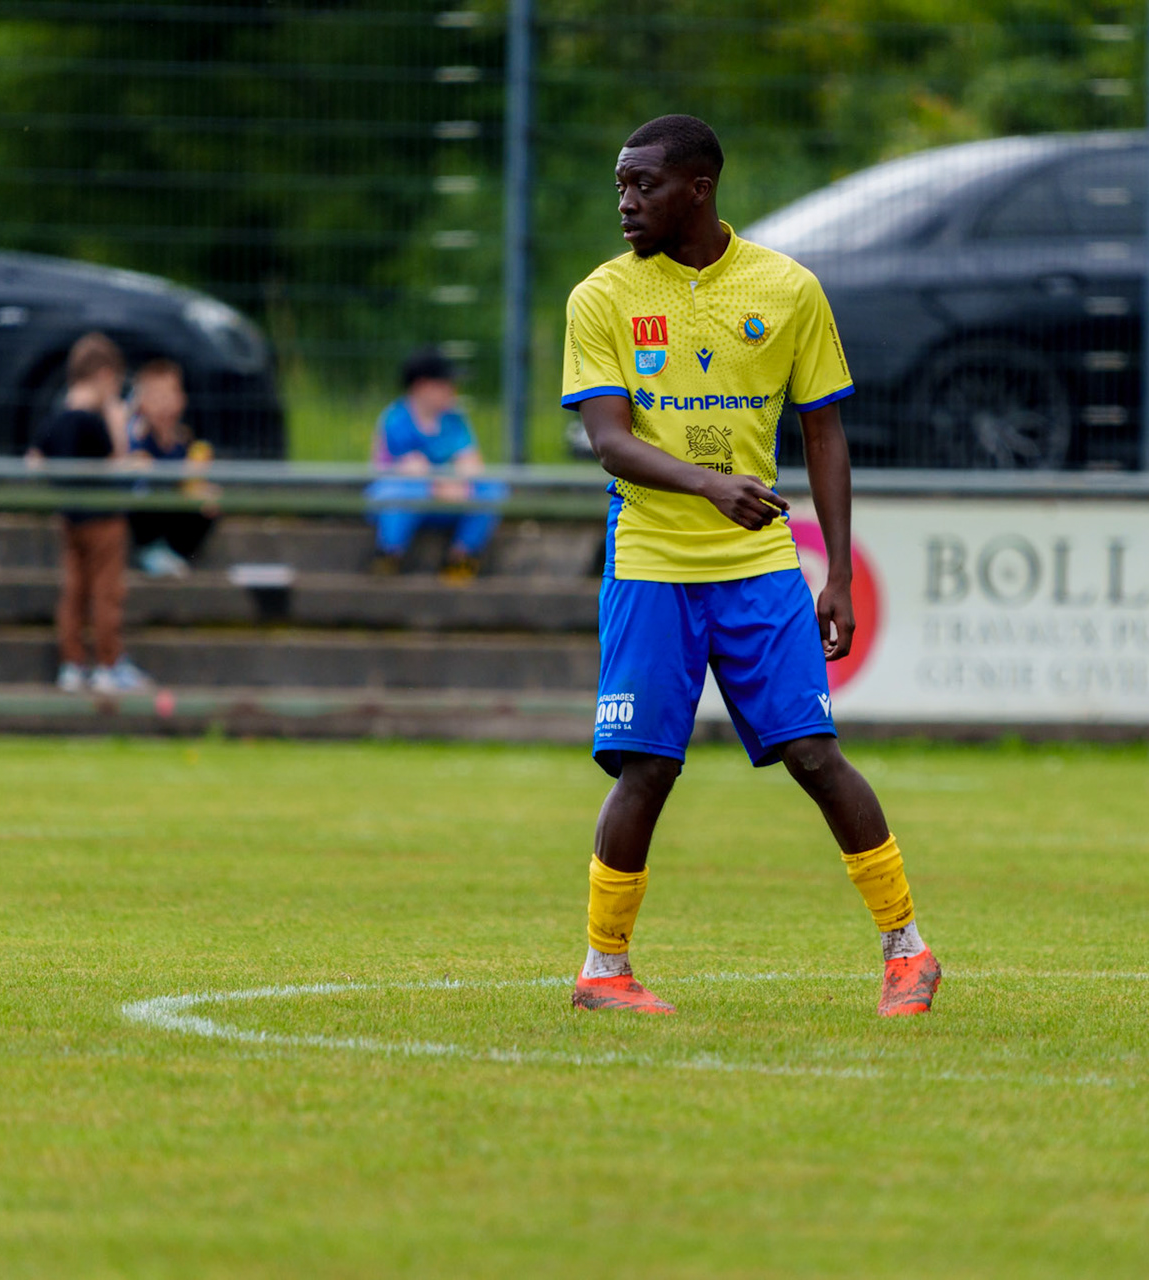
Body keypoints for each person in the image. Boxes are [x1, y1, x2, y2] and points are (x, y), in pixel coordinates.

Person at [560, 114, 940, 1017]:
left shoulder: (788, 288)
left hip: (761, 566)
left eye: (643, 185)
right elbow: (609, 441)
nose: (625, 203)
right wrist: (708, 484)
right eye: (620, 185)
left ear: (699, 187)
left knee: (814, 754)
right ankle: (602, 970)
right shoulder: (601, 298)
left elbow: (824, 433)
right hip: (651, 558)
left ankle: (907, 951)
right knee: (645, 768)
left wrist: (838, 573)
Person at [29, 332, 151, 693]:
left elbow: (34, 462)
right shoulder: (95, 420)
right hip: (104, 521)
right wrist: (117, 415)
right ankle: (109, 664)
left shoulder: (53, 422)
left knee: (74, 593)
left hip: (70, 520)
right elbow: (117, 456)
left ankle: (72, 664)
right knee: (106, 593)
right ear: (103, 376)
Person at [365, 348, 505, 582]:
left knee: (492, 490)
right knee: (401, 492)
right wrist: (440, 485)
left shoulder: (454, 419)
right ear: (422, 386)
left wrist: (459, 485)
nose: (453, 390)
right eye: (445, 384)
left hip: (448, 494)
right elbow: (411, 470)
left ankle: (461, 557)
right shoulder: (397, 419)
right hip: (412, 496)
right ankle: (389, 554)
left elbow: (472, 463)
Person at [124, 358, 218, 578]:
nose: (164, 404)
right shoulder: (138, 435)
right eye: (156, 397)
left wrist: (199, 484)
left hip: (172, 508)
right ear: (142, 403)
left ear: (181, 400)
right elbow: (141, 468)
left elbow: (190, 482)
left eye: (170, 395)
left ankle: (175, 553)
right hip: (145, 512)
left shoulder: (183, 440)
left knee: (209, 501)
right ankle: (151, 552)